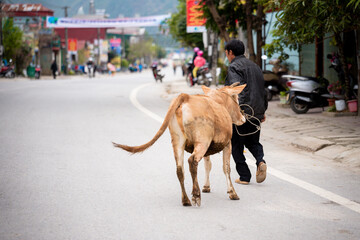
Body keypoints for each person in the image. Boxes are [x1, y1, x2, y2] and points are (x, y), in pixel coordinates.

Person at [224, 39, 268, 185]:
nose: (227, 56)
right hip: (257, 111)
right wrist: (262, 111)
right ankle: (260, 161)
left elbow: (237, 90)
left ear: (230, 52)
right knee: (253, 141)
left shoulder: (234, 67)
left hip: (242, 112)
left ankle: (244, 176)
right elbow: (263, 91)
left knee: (236, 144)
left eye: (226, 53)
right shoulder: (255, 66)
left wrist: (237, 111)